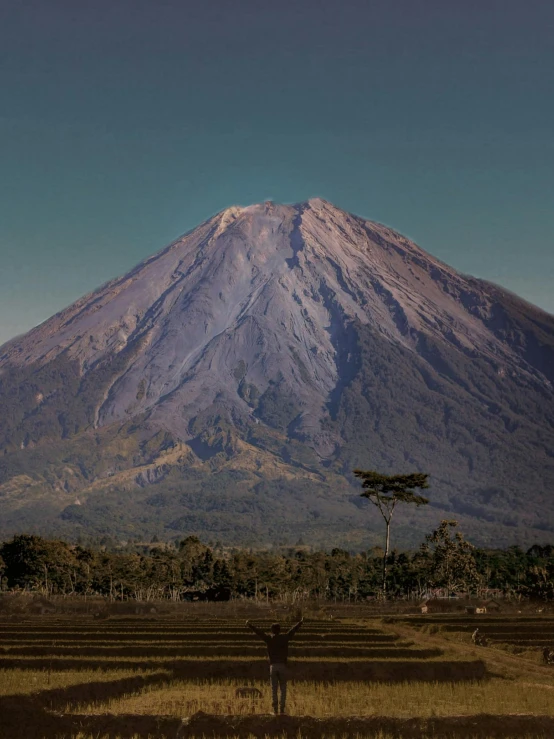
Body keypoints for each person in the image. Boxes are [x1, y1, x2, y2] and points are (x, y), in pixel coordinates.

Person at [246, 617, 303, 715]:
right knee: (283, 688)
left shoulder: (269, 639)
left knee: (274, 689)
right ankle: (282, 709)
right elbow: (293, 630)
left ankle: (275, 709)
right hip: (282, 666)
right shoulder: (285, 638)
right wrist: (300, 622)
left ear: (272, 631)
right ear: (279, 630)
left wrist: (249, 625)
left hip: (273, 666)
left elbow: (259, 632)